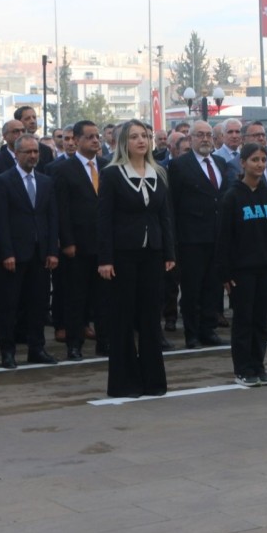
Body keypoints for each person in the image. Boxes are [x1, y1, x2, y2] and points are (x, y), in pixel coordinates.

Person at [98, 120, 174, 398]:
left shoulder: (159, 172)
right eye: (134, 137)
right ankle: (125, 383)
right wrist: (105, 259)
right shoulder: (112, 174)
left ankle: (153, 381)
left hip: (152, 254)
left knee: (150, 317)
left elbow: (164, 216)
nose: (141, 141)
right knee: (123, 317)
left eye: (145, 136)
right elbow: (104, 220)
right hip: (122, 255)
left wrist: (169, 252)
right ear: (123, 143)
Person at [216, 143, 267, 386]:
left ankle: (259, 365)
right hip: (242, 272)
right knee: (244, 321)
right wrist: (226, 274)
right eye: (254, 160)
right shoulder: (232, 197)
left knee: (260, 321)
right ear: (243, 163)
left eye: (263, 160)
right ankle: (243, 369)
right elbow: (224, 238)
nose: (259, 164)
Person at [0, 134, 60, 369]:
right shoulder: (3, 181)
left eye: (35, 152)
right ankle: (7, 351)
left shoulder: (45, 181)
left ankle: (36, 348)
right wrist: (6, 252)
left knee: (38, 304)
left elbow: (52, 217)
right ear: (17, 154)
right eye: (27, 152)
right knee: (9, 305)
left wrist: (52, 250)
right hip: (13, 255)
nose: (32, 156)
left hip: (40, 254)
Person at [168, 121, 230, 349]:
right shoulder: (179, 165)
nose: (205, 139)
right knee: (192, 288)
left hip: (217, 236)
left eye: (209, 135)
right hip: (191, 238)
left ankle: (208, 329)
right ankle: (192, 334)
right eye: (200, 135)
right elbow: (172, 204)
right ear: (191, 139)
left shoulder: (220, 163)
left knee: (213, 287)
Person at [53, 120, 108, 360]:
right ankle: (74, 344)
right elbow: (61, 210)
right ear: (75, 140)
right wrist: (67, 242)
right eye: (90, 137)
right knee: (76, 297)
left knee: (104, 297)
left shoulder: (108, 167)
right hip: (77, 246)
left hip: (105, 245)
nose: (96, 140)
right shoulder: (62, 170)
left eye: (97, 136)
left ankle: (105, 342)